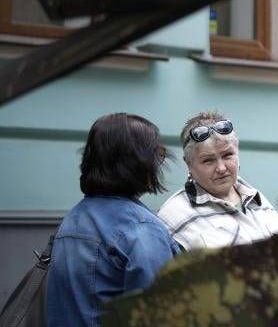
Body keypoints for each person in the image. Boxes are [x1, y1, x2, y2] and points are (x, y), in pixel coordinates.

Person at [47, 113, 180, 327]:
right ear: (136, 163)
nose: (158, 165)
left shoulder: (73, 219)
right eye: (157, 156)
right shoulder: (141, 229)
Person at [158, 111, 278, 250]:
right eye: (208, 160)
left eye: (227, 155)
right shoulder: (174, 214)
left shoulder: (256, 198)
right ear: (188, 164)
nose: (221, 168)